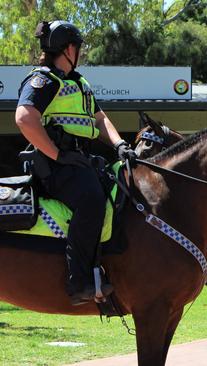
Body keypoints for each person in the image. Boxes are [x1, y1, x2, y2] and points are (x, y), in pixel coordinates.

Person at [15, 20, 136, 305]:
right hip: (53, 166)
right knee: (91, 200)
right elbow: (24, 117)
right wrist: (57, 154)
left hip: (78, 162)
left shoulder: (79, 83)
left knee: (117, 191)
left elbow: (100, 118)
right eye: (78, 47)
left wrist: (119, 144)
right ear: (69, 49)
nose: (79, 53)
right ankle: (79, 281)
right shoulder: (44, 80)